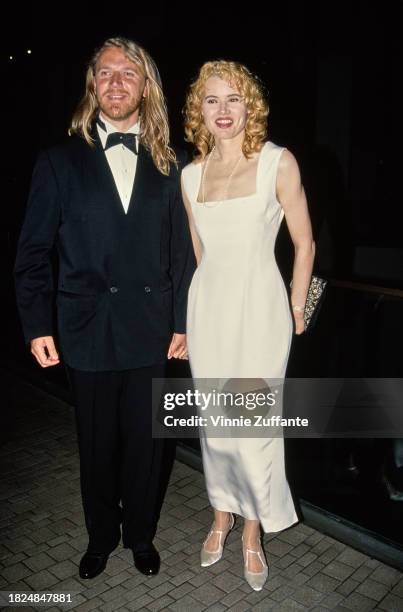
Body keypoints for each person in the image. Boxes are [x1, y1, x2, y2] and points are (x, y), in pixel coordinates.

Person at [14, 37, 194, 580]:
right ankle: (100, 538)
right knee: (95, 446)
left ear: (147, 87)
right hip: (84, 327)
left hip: (150, 326)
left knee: (145, 445)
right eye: (107, 73)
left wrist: (183, 321)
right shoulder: (57, 161)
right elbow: (32, 252)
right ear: (93, 84)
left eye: (129, 73)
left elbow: (185, 254)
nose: (117, 82)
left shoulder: (174, 162)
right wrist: (37, 323)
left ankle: (140, 536)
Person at [181, 60, 315, 590]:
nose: (223, 110)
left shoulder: (278, 162)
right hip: (209, 307)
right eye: (211, 100)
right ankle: (220, 516)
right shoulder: (190, 176)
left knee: (253, 427)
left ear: (250, 105)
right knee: (216, 425)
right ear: (199, 110)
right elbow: (199, 253)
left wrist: (297, 306)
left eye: (233, 99)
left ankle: (252, 532)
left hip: (261, 309)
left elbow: (305, 243)